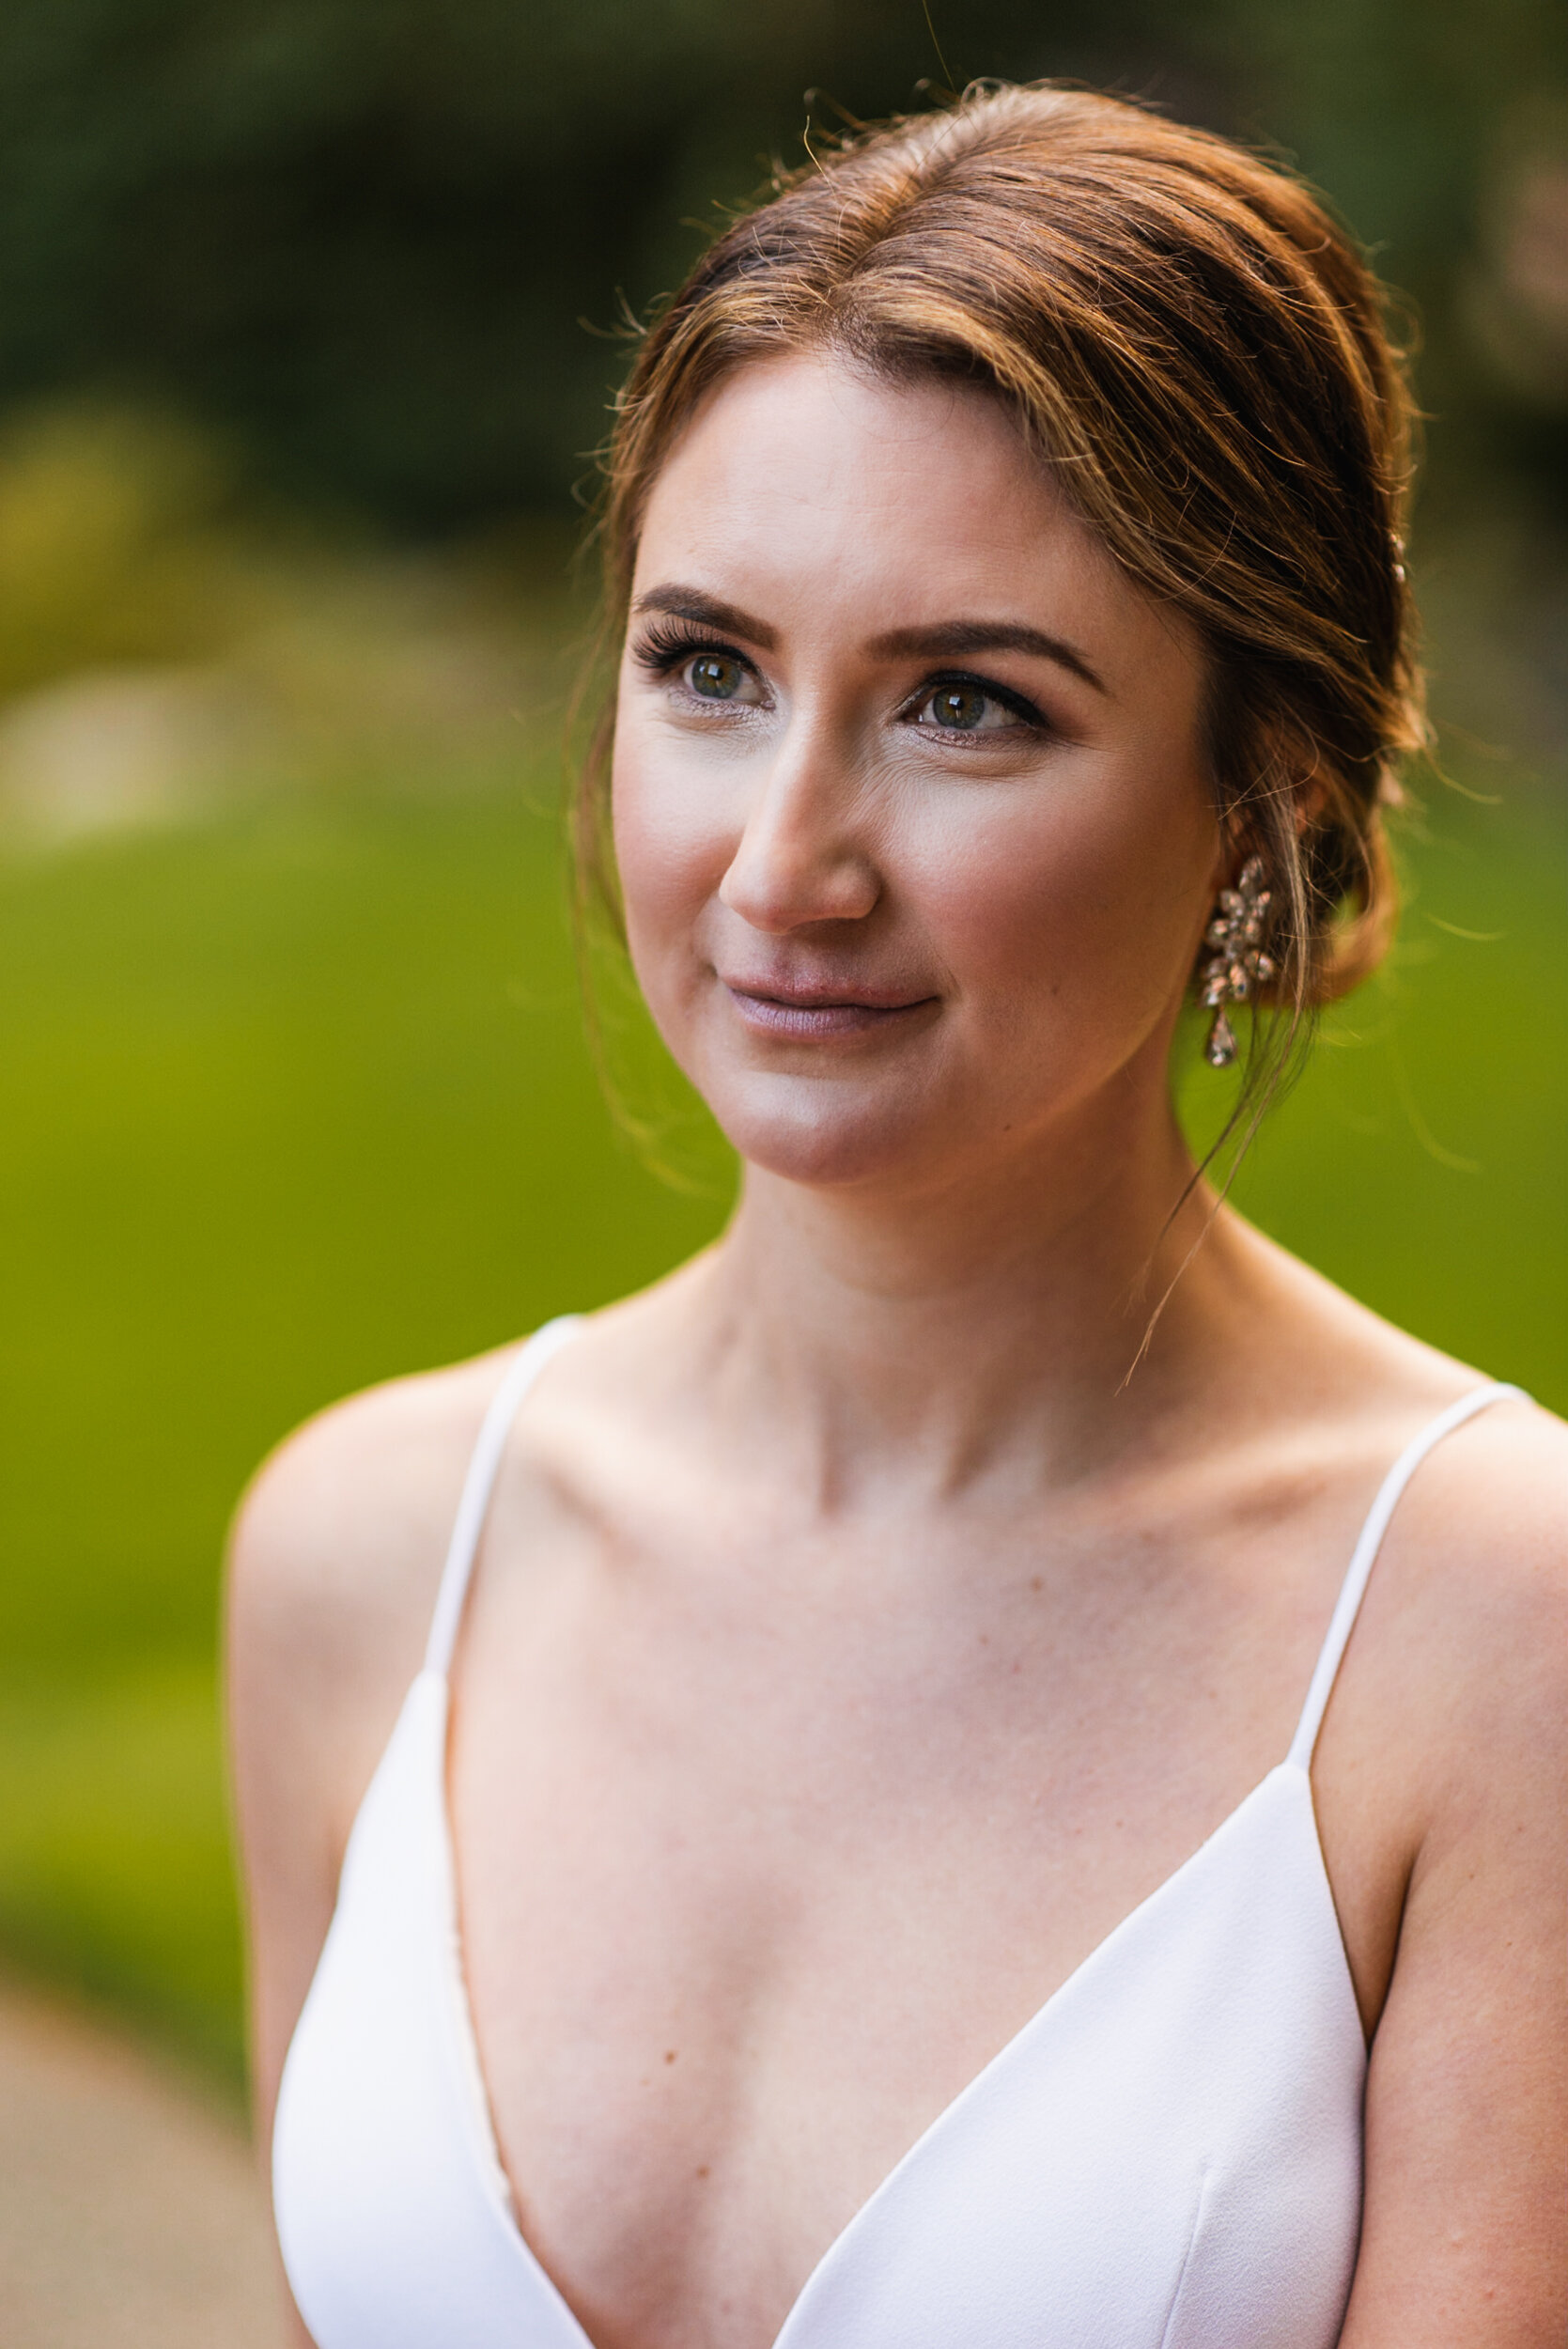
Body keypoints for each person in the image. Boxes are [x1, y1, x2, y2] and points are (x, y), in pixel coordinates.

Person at [228, 82, 1565, 2349]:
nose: (781, 864)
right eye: (711, 669)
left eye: (964, 704)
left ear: (1267, 796)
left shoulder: (1491, 1645)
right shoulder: (370, 1551)